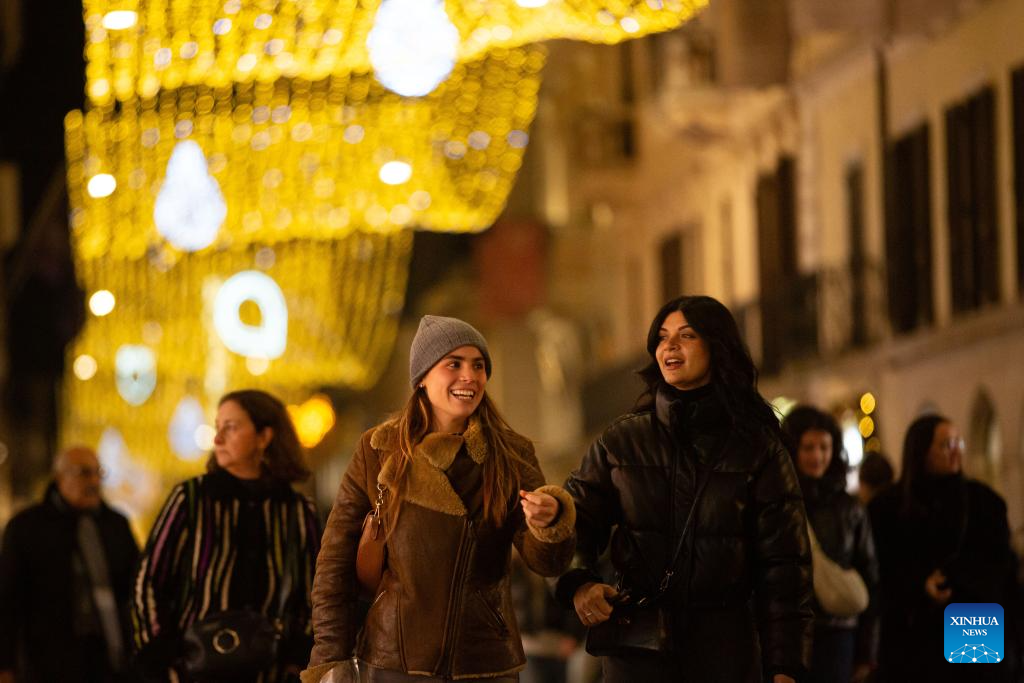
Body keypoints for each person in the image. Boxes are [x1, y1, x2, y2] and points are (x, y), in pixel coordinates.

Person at [554, 295, 813, 683]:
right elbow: (571, 522)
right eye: (661, 337)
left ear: (717, 346)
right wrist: (578, 582)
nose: (669, 347)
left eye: (686, 335)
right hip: (638, 652)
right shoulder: (622, 442)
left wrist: (785, 667)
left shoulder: (758, 448)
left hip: (725, 652)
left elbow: (785, 569)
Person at [303, 315, 576, 683]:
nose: (470, 376)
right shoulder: (377, 450)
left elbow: (547, 563)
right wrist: (331, 657)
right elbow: (335, 561)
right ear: (422, 379)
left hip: (483, 661)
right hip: (394, 660)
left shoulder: (511, 454)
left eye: (478, 365)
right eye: (454, 364)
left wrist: (549, 522)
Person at [130, 390, 322, 682]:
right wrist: (162, 660)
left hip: (269, 673)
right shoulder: (191, 498)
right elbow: (148, 580)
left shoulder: (297, 510)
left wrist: (297, 659)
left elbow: (316, 594)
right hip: (195, 671)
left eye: (230, 427)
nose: (217, 439)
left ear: (264, 437)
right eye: (217, 427)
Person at [869, 414, 1019, 682]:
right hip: (913, 627)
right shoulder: (887, 508)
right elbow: (881, 567)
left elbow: (999, 563)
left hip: (973, 617)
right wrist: (919, 585)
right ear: (921, 451)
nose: (955, 451)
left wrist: (957, 578)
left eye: (958, 442)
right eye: (945, 444)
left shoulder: (983, 502)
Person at [0, 445, 140, 683]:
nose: (94, 481)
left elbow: (136, 583)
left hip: (108, 657)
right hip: (48, 661)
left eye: (98, 472)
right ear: (59, 477)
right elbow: (8, 597)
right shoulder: (27, 528)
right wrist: (5, 664)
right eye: (84, 473)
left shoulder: (115, 525)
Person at [781, 406, 878, 683]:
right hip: (791, 633)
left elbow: (870, 575)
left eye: (824, 447)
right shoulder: (781, 503)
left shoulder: (849, 508)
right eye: (808, 447)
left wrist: (867, 651)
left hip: (838, 632)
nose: (817, 456)